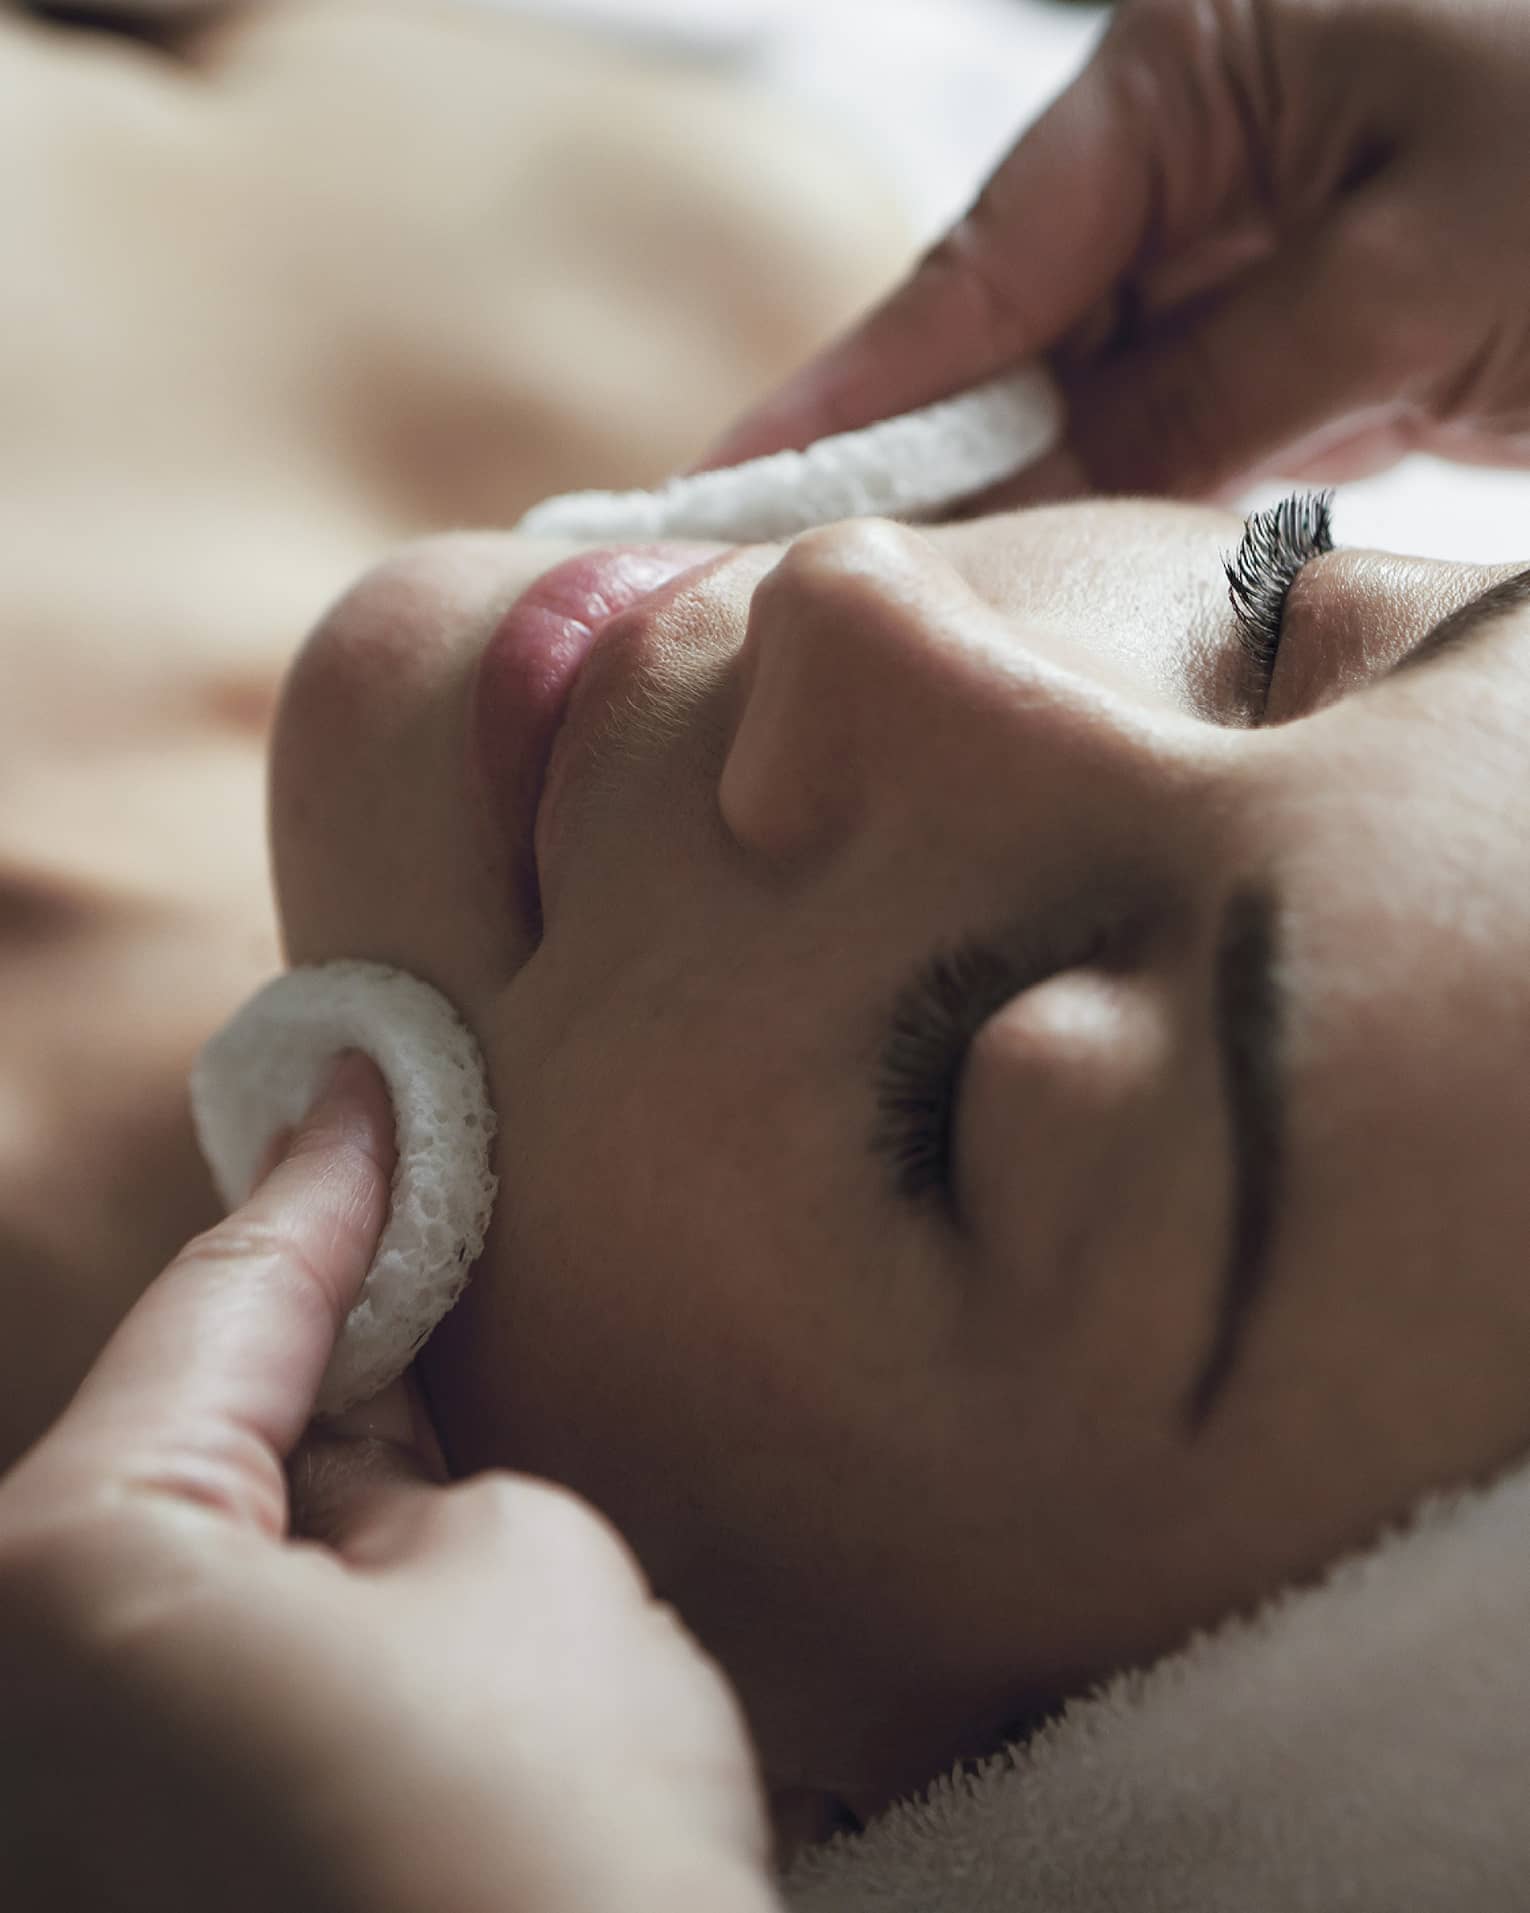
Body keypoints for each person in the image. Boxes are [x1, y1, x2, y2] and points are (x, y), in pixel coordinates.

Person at [8, 0, 1530, 1900]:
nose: (861, 604)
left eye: (970, 1085)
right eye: (1275, 612)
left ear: (796, 1790)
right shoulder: (773, 192)